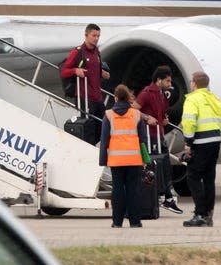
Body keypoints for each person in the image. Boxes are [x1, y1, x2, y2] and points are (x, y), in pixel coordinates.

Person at [100, 84, 155, 228]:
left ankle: (117, 222)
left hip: (116, 160)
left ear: (115, 98)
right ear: (128, 97)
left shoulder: (108, 115)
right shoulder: (136, 115)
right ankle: (135, 222)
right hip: (134, 159)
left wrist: (103, 160)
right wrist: (145, 159)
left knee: (117, 190)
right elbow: (142, 139)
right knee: (133, 190)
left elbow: (104, 140)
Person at [133, 65, 183, 214]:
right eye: (167, 81)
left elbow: (161, 112)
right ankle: (163, 196)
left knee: (165, 166)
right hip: (150, 136)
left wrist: (163, 119)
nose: (170, 84)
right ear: (159, 80)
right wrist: (146, 118)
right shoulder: (146, 93)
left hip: (159, 134)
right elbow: (134, 109)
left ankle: (167, 197)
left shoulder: (162, 94)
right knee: (156, 166)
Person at [181, 71, 221, 227]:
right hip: (215, 140)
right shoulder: (214, 98)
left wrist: (188, 142)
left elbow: (189, 122)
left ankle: (200, 213)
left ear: (194, 83)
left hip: (201, 142)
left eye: (191, 81)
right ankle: (209, 214)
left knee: (192, 177)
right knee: (209, 178)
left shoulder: (192, 99)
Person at [60, 23, 111, 145]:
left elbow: (94, 69)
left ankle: (92, 145)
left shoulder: (96, 52)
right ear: (86, 35)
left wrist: (102, 72)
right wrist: (75, 71)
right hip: (84, 97)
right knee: (88, 126)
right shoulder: (78, 52)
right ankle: (89, 147)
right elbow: (64, 72)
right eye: (94, 35)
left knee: (104, 125)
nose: (96, 38)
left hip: (97, 96)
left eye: (98, 36)